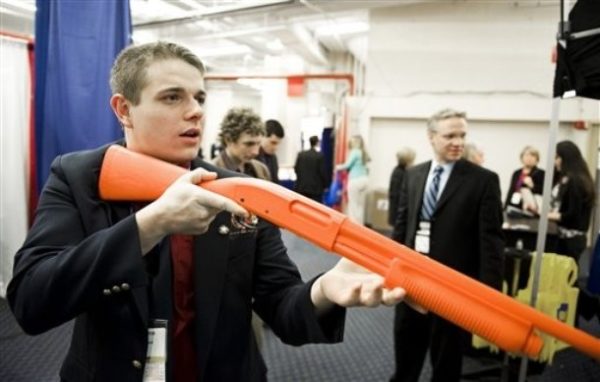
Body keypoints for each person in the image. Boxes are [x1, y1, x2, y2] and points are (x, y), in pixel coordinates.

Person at [7, 42, 407, 382]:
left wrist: (323, 290)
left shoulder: (239, 191)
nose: (196, 110)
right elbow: (31, 301)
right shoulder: (79, 178)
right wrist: (149, 225)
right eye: (172, 97)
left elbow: (281, 307)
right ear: (124, 109)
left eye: (199, 97)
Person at [390, 108, 504, 382]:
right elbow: (403, 226)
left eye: (462, 135)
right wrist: (389, 268)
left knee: (447, 363)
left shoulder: (483, 180)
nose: (458, 142)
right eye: (450, 135)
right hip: (411, 282)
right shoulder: (414, 175)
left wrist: (488, 296)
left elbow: (491, 242)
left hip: (454, 286)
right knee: (406, 357)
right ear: (431, 137)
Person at [548, 140, 595, 261]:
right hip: (565, 237)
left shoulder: (575, 181)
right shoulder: (567, 178)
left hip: (570, 240)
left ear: (566, 158)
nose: (555, 162)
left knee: (566, 276)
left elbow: (572, 214)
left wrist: (547, 215)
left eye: (557, 157)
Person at [212, 107, 271, 180]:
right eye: (249, 144)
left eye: (258, 144)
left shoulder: (262, 170)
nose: (256, 152)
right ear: (228, 140)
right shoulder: (210, 172)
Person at [335, 135, 370, 224]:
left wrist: (337, 167)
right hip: (365, 180)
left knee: (353, 205)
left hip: (355, 180)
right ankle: (360, 225)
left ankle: (353, 226)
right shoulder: (364, 152)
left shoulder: (355, 152)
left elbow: (347, 165)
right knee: (360, 205)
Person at [505, 145, 545, 212]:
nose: (529, 158)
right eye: (526, 155)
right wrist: (505, 207)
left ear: (537, 159)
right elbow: (511, 191)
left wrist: (532, 186)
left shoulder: (541, 173)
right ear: (522, 157)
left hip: (531, 209)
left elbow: (544, 193)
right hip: (514, 205)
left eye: (532, 155)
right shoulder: (516, 173)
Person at [294, 135, 329, 203]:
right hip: (315, 190)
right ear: (317, 143)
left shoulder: (301, 154)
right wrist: (325, 185)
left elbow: (296, 169)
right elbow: (322, 172)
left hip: (301, 188)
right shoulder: (319, 156)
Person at [388, 147, 416, 226]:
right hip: (398, 212)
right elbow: (397, 195)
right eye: (412, 160)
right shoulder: (400, 173)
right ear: (407, 161)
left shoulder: (403, 171)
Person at [256, 119, 284, 183]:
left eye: (278, 144)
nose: (276, 148)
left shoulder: (273, 158)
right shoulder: (250, 156)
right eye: (273, 143)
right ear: (262, 136)